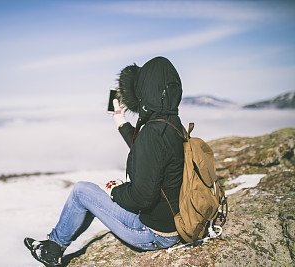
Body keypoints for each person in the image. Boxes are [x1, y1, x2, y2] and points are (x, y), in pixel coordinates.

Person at [24, 56, 184, 266]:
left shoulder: (152, 133)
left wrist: (114, 191)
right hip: (173, 223)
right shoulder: (171, 124)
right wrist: (119, 120)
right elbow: (147, 151)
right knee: (93, 192)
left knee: (82, 191)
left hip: (153, 234)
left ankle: (51, 249)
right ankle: (55, 245)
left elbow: (142, 198)